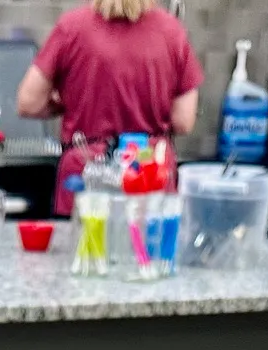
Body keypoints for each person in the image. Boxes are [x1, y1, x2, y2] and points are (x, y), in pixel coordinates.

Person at [17, 0, 203, 215]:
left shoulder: (72, 27)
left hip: (85, 174)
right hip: (149, 174)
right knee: (146, 247)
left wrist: (69, 102)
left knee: (83, 245)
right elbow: (183, 121)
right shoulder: (172, 31)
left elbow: (29, 102)